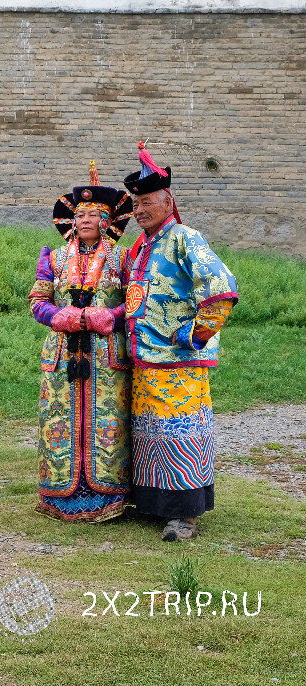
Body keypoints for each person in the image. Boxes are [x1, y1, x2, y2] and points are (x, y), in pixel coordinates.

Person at [122, 143, 238, 542]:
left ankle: (184, 515)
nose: (139, 210)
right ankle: (154, 505)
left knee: (180, 434)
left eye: (147, 202)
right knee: (151, 434)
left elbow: (221, 289)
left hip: (179, 362)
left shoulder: (186, 238)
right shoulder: (140, 247)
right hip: (144, 362)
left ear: (168, 200)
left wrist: (195, 334)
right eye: (135, 204)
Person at [29, 161, 134, 523]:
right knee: (59, 420)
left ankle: (109, 497)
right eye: (80, 214)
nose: (85, 219)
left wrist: (113, 316)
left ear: (107, 221)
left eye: (93, 214)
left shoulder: (124, 257)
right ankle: (59, 496)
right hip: (63, 353)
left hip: (106, 355)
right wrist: (57, 316)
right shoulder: (53, 258)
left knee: (110, 420)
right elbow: (37, 301)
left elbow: (135, 301)